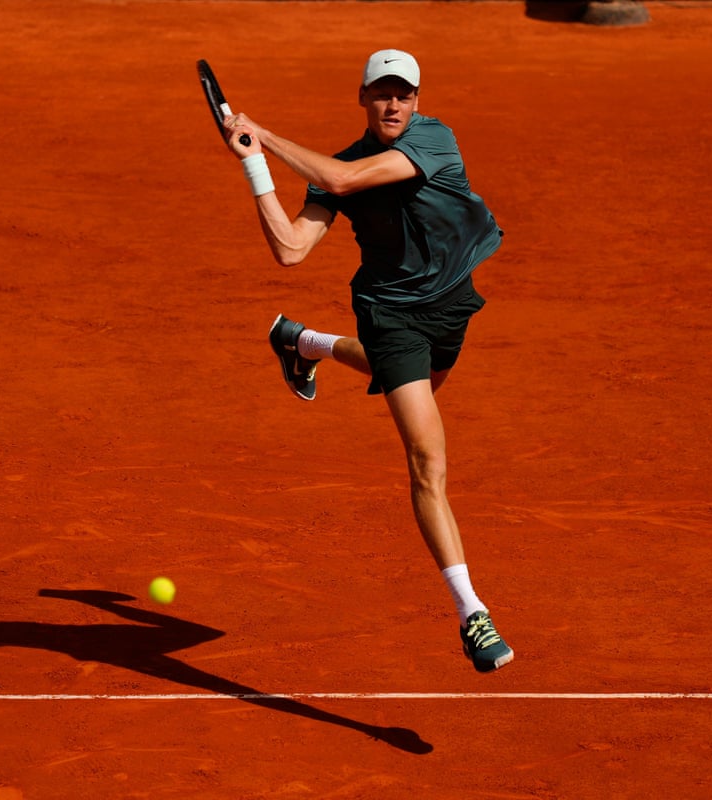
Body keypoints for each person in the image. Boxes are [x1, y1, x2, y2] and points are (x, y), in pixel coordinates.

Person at [223, 49, 513, 673]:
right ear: (363, 99)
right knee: (427, 456)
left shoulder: (434, 137)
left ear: (417, 99)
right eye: (381, 94)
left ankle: (303, 344)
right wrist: (255, 169)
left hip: (451, 305)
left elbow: (346, 183)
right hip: (391, 313)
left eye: (403, 94)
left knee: (415, 383)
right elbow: (292, 250)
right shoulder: (338, 166)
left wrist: (265, 137)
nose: (393, 105)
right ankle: (473, 613)